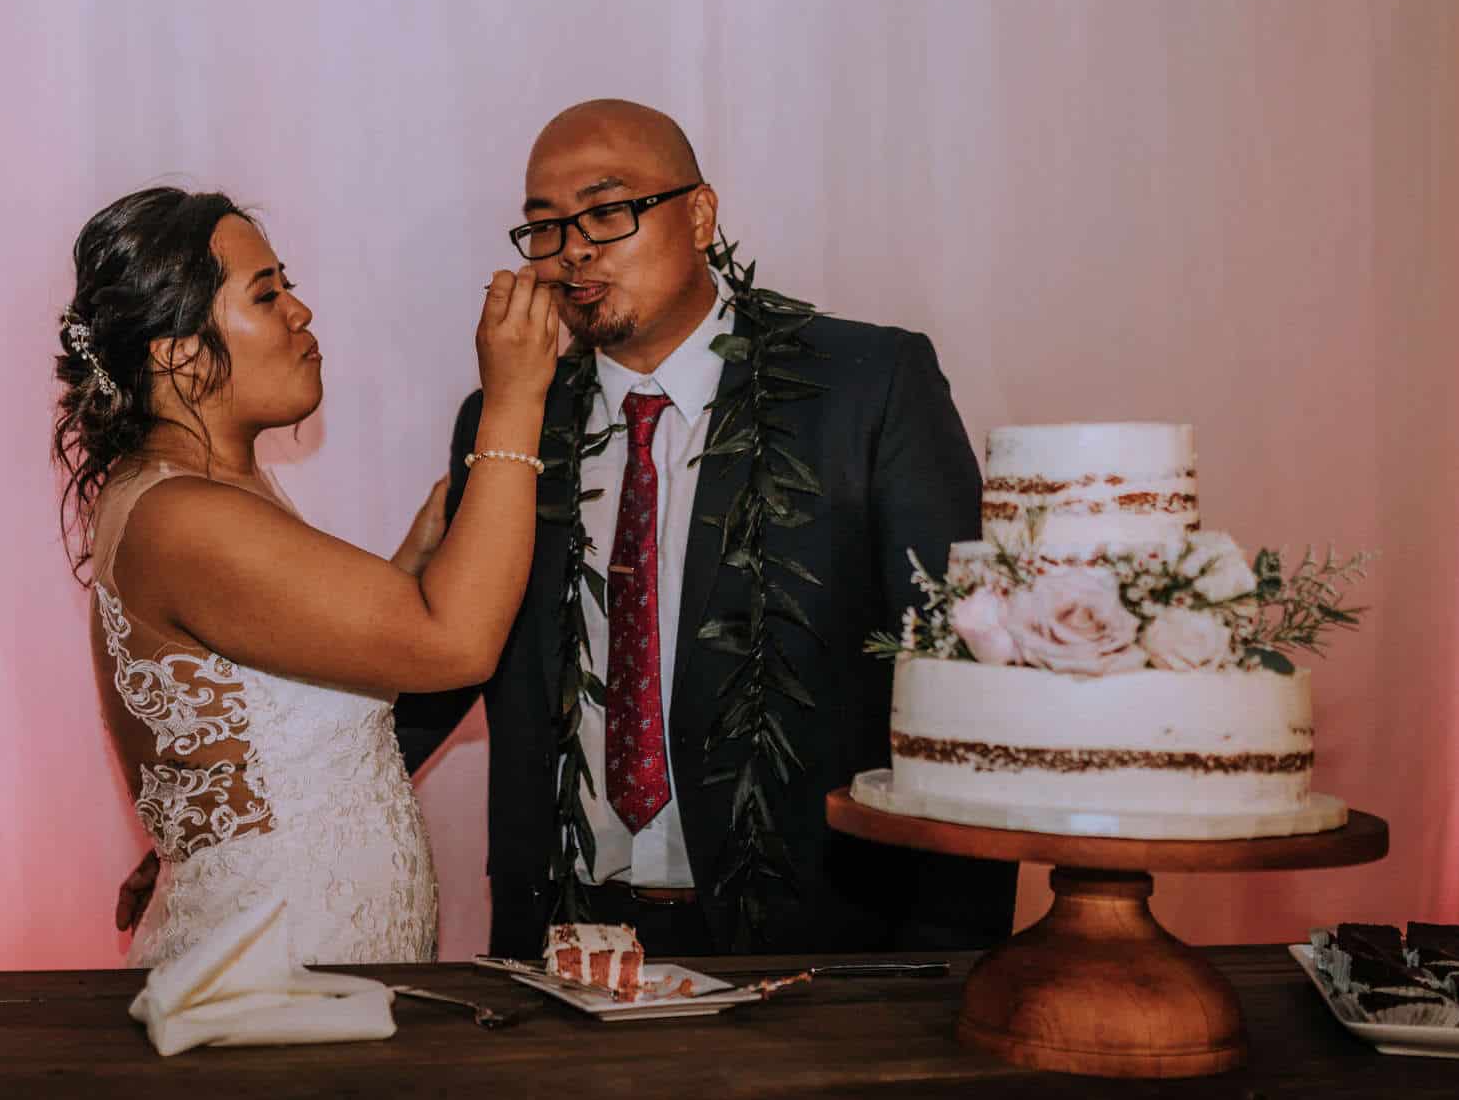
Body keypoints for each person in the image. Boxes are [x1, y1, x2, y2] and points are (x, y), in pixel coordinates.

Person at [394, 100, 1012, 957]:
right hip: (566, 938)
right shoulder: (506, 419)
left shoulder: (864, 387)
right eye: (546, 226)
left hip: (817, 935)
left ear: (699, 214)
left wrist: (954, 950)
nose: (574, 249)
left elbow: (960, 674)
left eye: (608, 211)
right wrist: (271, 800)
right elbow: (453, 655)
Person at [55, 185, 557, 965]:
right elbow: (457, 644)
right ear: (178, 352)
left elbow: (288, 694)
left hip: (309, 963)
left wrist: (411, 565)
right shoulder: (185, 515)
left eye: (287, 285)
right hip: (275, 974)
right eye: (266, 294)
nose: (301, 311)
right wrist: (515, 401)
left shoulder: (203, 488)